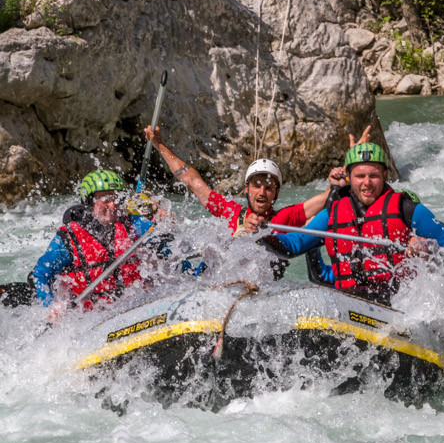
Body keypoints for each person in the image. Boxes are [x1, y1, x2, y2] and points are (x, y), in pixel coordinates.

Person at [263, 142, 444, 301]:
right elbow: (293, 244)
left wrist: (427, 246)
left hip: (398, 303)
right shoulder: (331, 215)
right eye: (360, 176)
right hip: (348, 300)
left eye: (374, 176)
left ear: (385, 175)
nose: (367, 183)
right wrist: (260, 234)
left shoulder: (406, 209)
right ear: (349, 177)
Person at [30, 170, 195, 312]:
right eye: (106, 199)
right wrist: (50, 307)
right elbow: (40, 275)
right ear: (90, 201)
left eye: (116, 198)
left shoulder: (134, 224)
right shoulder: (68, 238)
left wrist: (162, 224)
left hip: (135, 306)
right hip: (90, 318)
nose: (113, 204)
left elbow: (166, 256)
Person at [143, 126, 338, 235]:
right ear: (247, 189)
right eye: (256, 186)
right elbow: (192, 180)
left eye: (269, 188)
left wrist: (347, 170)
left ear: (277, 193)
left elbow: (326, 197)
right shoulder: (229, 212)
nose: (262, 193)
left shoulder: (283, 219)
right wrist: (160, 145)